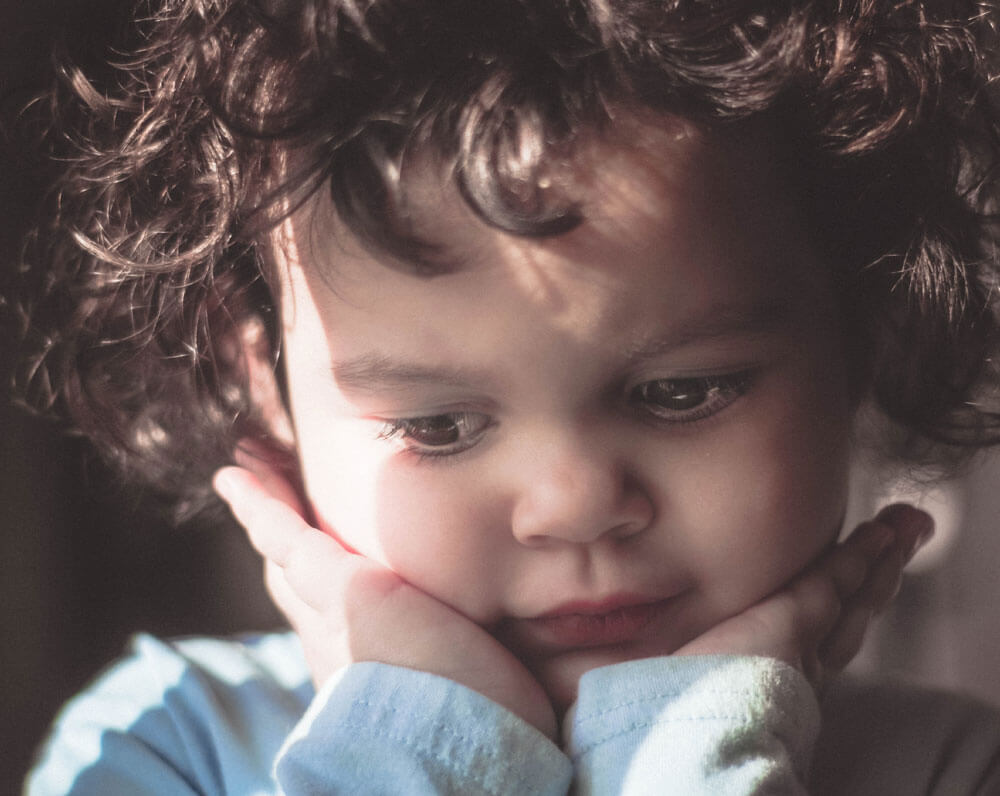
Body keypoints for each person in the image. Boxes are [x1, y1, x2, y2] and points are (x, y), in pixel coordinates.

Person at [13, 0, 1000, 792]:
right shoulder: (160, 749)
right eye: (436, 426)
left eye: (682, 390)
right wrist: (423, 747)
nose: (570, 504)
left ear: (859, 340)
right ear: (260, 383)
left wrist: (695, 750)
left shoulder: (955, 769)